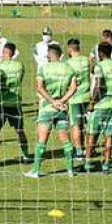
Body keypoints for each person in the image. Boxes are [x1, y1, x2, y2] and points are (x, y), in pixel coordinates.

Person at [26, 43, 78, 178]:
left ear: (49, 55)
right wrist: (62, 101)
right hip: (62, 109)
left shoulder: (43, 68)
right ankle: (70, 170)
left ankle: (36, 170)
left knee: (42, 140)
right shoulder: (69, 68)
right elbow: (73, 89)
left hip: (47, 108)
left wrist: (52, 102)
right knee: (65, 140)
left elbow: (39, 87)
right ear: (60, 55)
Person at [84, 42, 112, 174]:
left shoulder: (99, 66)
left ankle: (88, 163)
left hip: (100, 104)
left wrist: (92, 102)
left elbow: (98, 85)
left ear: (100, 53)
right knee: (109, 135)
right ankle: (107, 164)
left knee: (92, 134)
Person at [0, 43, 30, 168]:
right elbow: (20, 79)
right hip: (15, 103)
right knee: (20, 130)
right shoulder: (20, 65)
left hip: (1, 103)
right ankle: (26, 155)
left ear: (5, 52)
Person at [65, 38, 91, 166]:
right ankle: (88, 149)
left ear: (69, 49)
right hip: (87, 97)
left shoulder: (68, 63)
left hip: (74, 98)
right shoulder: (87, 60)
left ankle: (79, 151)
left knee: (76, 125)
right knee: (86, 125)